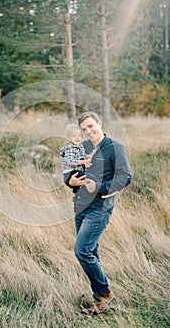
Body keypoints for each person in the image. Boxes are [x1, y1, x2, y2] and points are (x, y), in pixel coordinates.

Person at [64, 112, 131, 315]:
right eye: (84, 129)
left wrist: (100, 186)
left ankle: (104, 293)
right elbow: (68, 170)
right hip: (80, 206)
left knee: (82, 250)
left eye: (91, 126)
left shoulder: (115, 148)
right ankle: (99, 299)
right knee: (91, 251)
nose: (89, 131)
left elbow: (124, 177)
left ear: (99, 124)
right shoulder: (81, 147)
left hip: (100, 208)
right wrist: (69, 181)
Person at [60, 124, 92, 192]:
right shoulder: (70, 148)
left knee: (83, 180)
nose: (77, 138)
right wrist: (83, 162)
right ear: (68, 138)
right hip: (70, 172)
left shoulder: (79, 146)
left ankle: (79, 192)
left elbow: (80, 155)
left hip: (76, 171)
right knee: (87, 177)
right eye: (74, 136)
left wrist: (86, 156)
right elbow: (70, 161)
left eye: (79, 136)